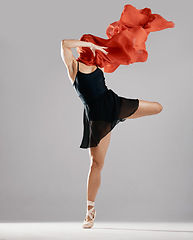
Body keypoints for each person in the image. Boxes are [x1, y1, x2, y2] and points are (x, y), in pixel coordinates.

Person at [60, 39, 163, 228]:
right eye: (86, 45)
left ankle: (121, 117)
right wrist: (88, 44)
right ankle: (90, 212)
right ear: (81, 48)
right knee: (96, 164)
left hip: (114, 104)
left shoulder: (98, 65)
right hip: (97, 118)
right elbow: (64, 43)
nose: (90, 48)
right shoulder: (73, 67)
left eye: (91, 43)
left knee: (158, 107)